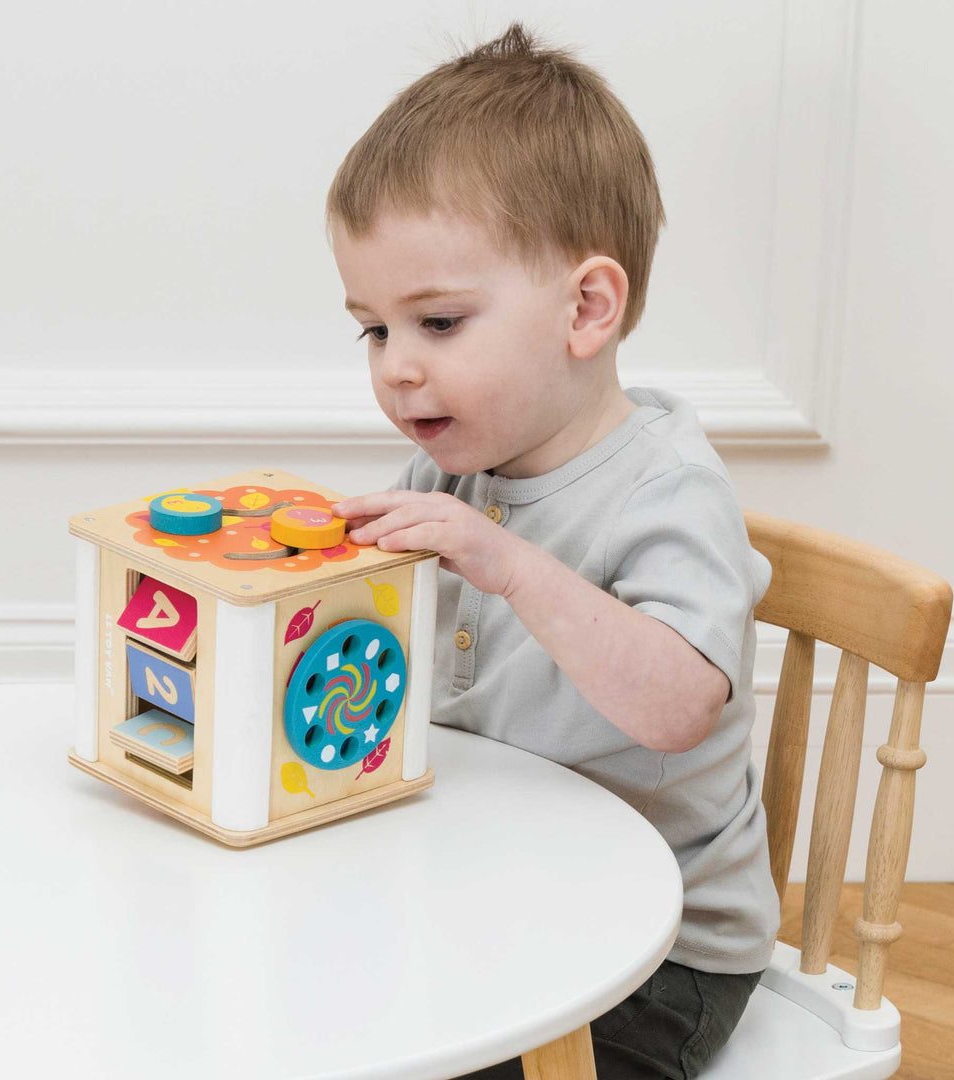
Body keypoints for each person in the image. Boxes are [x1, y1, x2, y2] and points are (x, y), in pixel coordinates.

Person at [324, 20, 779, 1080]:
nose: (395, 368)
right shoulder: (452, 472)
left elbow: (674, 707)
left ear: (585, 308)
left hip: (656, 954)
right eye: (372, 330)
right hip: (491, 891)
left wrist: (505, 563)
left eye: (436, 323)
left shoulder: (667, 491)